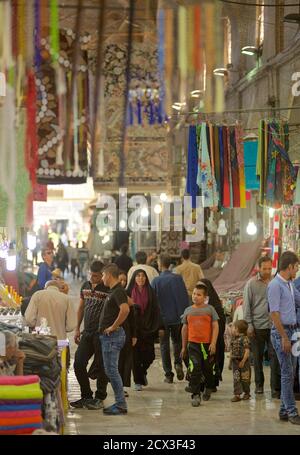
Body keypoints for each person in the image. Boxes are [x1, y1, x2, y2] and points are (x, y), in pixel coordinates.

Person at [71, 261, 109, 410]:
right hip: (87, 333)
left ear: (102, 275)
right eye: (91, 275)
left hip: (101, 334)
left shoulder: (107, 288)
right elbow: (81, 307)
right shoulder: (85, 286)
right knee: (78, 363)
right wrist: (77, 329)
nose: (93, 278)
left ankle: (99, 397)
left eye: (96, 276)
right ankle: (86, 395)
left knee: (101, 366)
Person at [268, 251, 300, 425]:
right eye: (296, 267)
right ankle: (292, 412)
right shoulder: (275, 285)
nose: (297, 269)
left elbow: (299, 300)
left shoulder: (289, 284)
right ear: (290, 267)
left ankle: (283, 410)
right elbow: (274, 313)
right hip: (283, 333)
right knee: (287, 373)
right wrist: (284, 338)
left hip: (294, 332)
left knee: (291, 372)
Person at [243, 256, 281, 397]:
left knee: (274, 358)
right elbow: (247, 306)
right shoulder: (251, 284)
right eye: (264, 268)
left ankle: (275, 389)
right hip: (257, 327)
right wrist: (249, 326)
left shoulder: (275, 282)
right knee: (257, 359)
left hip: (273, 326)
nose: (267, 271)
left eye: (269, 268)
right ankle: (259, 386)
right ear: (259, 268)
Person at [152, 254, 190, 383]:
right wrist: (184, 316)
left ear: (160, 264)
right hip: (177, 317)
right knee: (178, 342)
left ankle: (168, 374)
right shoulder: (178, 278)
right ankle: (178, 363)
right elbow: (184, 298)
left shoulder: (156, 281)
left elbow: (153, 302)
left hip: (162, 320)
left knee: (164, 345)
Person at [181, 283, 219, 406]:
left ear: (205, 297)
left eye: (199, 294)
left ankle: (208, 387)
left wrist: (213, 343)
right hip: (193, 345)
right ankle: (196, 394)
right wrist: (183, 347)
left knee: (208, 369)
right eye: (194, 294)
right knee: (195, 367)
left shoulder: (210, 309)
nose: (195, 296)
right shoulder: (188, 310)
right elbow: (184, 329)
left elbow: (215, 326)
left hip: (207, 345)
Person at [99, 264, 130, 416]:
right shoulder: (115, 291)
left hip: (112, 337)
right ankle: (120, 403)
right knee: (110, 370)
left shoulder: (118, 291)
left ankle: (120, 404)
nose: (102, 278)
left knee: (111, 370)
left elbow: (126, 309)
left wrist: (113, 327)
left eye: (103, 275)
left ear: (109, 275)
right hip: (109, 337)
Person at [127, 269, 161, 391]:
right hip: (134, 329)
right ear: (134, 278)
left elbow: (156, 310)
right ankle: (138, 381)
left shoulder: (151, 292)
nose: (141, 278)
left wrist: (158, 327)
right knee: (135, 357)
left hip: (148, 329)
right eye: (138, 276)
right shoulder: (128, 292)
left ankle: (141, 373)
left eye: (143, 276)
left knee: (150, 355)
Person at [200, 278, 226, 390]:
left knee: (213, 360)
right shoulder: (196, 304)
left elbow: (221, 323)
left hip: (215, 339)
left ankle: (213, 382)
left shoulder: (216, 306)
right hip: (200, 338)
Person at [118, 270, 137, 396]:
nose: (123, 282)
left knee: (125, 360)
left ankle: (121, 387)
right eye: (120, 280)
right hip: (114, 331)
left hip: (127, 331)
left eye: (125, 280)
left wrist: (134, 334)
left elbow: (132, 317)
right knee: (117, 360)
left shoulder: (128, 295)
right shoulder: (112, 294)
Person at [230, 320, 251, 402]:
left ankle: (247, 393)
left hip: (244, 362)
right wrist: (230, 362)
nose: (232, 329)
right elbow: (231, 351)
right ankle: (237, 394)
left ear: (237, 329)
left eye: (234, 327)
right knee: (236, 378)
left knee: (245, 378)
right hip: (235, 362)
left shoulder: (245, 339)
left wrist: (243, 361)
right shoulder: (233, 339)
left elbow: (247, 351)